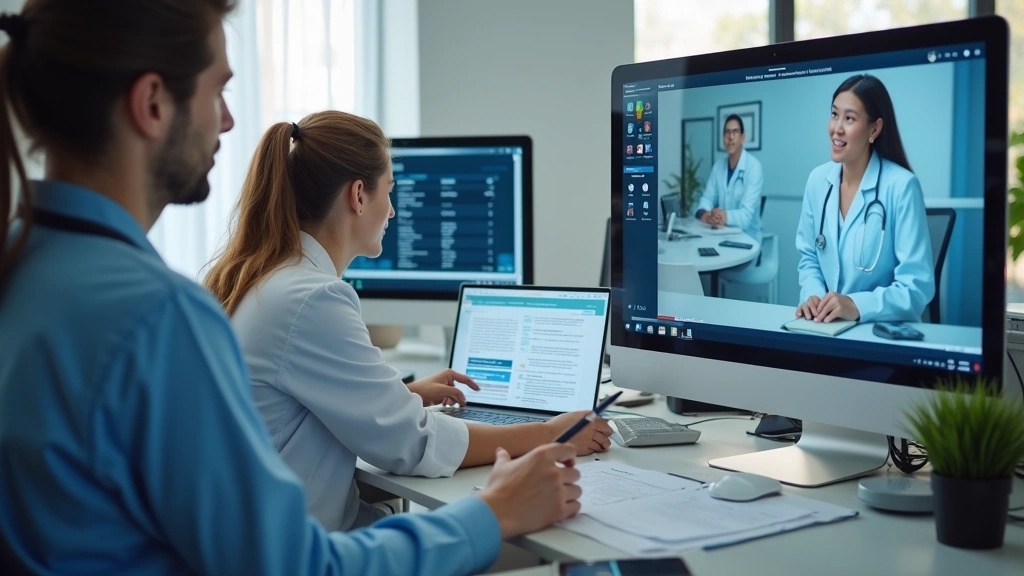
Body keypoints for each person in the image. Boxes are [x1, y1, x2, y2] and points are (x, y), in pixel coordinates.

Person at [0, 2, 584, 574]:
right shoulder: (156, 317)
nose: (228, 120)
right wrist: (493, 512)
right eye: (217, 91)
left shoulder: (23, 266)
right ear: (153, 103)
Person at [202, 110, 613, 532]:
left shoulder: (263, 278)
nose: (393, 210)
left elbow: (300, 405)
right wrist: (550, 433)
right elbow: (412, 444)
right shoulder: (313, 298)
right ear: (358, 195)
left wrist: (401, 395)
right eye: (390, 190)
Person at [794, 74, 934, 324]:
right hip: (827, 328)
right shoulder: (818, 181)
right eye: (834, 114)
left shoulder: (902, 187)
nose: (837, 128)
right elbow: (809, 258)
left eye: (849, 118)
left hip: (883, 330)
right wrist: (815, 298)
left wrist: (857, 305)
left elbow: (916, 287)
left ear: (874, 129)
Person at [693, 114, 764, 242]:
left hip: (748, 240)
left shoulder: (754, 167)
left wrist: (722, 216)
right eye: (727, 132)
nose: (730, 137)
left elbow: (746, 217)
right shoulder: (718, 167)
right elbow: (707, 198)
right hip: (722, 236)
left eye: (735, 132)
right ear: (723, 137)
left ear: (743, 137)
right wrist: (706, 215)